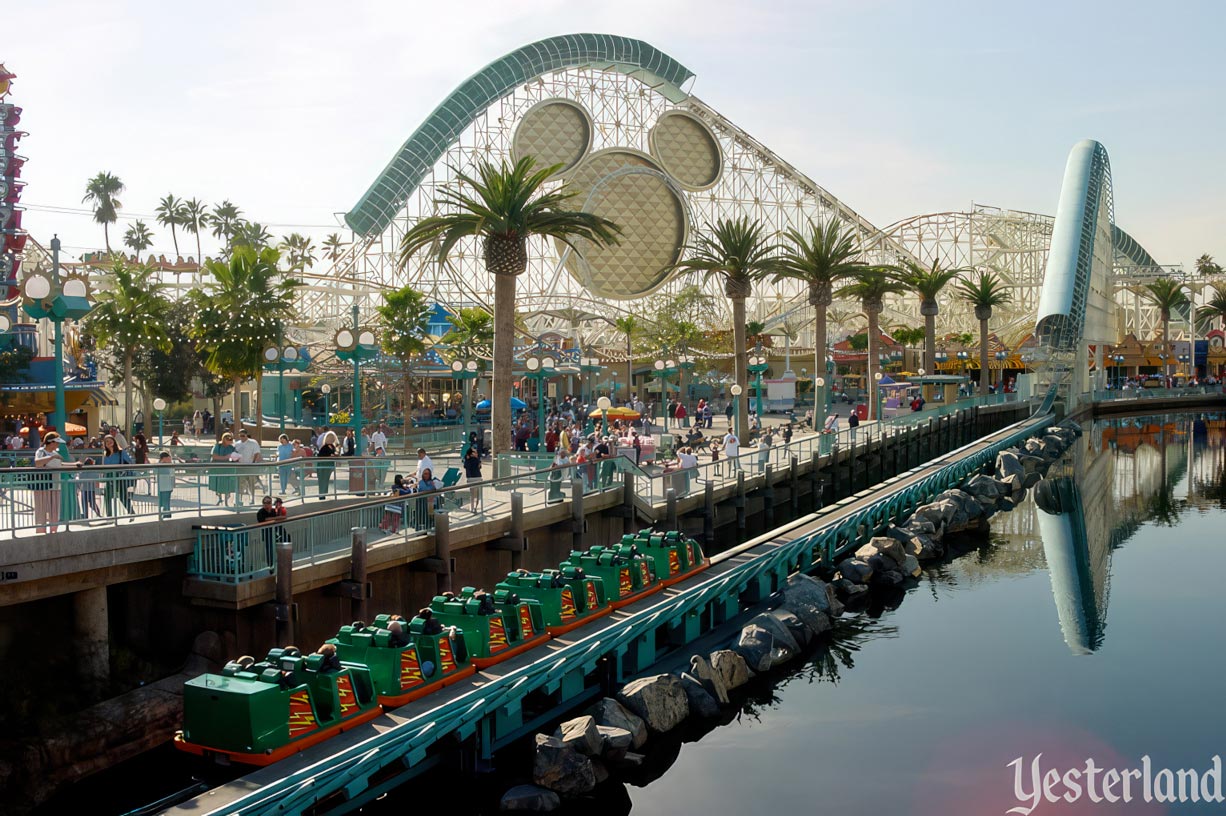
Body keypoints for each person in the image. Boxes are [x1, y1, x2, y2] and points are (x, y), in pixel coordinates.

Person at [33, 432, 79, 533]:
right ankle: (41, 531)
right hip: (43, 485)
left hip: (55, 484)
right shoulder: (41, 451)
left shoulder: (55, 453)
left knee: (54, 510)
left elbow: (60, 464)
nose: (58, 445)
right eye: (56, 443)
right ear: (51, 442)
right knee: (42, 509)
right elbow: (37, 462)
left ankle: (53, 530)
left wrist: (74, 465)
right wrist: (51, 457)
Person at [102, 434, 135, 516]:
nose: (109, 443)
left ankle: (131, 512)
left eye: (110, 440)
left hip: (120, 476)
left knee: (122, 496)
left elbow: (130, 461)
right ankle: (109, 516)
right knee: (107, 496)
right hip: (109, 477)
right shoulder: (106, 454)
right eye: (106, 442)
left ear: (114, 441)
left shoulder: (121, 452)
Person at [233, 429, 263, 505]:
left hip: (250, 465)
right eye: (240, 436)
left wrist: (253, 463)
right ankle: (239, 499)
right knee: (240, 484)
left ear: (246, 435)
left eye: (243, 435)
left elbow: (257, 453)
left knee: (251, 484)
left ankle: (252, 498)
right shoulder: (237, 444)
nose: (242, 437)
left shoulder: (253, 443)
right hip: (240, 467)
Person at [209, 432, 239, 506]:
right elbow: (214, 456)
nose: (229, 440)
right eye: (227, 438)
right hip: (218, 469)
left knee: (227, 486)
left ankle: (226, 501)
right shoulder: (217, 446)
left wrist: (235, 458)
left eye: (230, 439)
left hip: (228, 469)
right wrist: (226, 457)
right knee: (218, 485)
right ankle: (219, 498)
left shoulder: (231, 448)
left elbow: (235, 456)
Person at [316, 431, 338, 500]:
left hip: (329, 465)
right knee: (322, 480)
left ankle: (324, 493)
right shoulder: (324, 447)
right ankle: (321, 495)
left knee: (326, 480)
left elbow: (334, 453)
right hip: (322, 465)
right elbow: (321, 456)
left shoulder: (332, 446)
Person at [156, 450, 175, 518]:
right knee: (163, 501)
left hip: (166, 487)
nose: (170, 459)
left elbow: (172, 475)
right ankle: (165, 513)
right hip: (162, 486)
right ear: (164, 458)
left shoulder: (169, 465)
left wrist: (173, 485)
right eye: (168, 458)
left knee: (166, 501)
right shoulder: (160, 465)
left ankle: (166, 513)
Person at [463, 446, 482, 513]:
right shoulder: (472, 459)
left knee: (474, 494)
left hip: (474, 477)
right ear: (472, 453)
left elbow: (478, 466)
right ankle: (474, 507)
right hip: (474, 478)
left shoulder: (472, 459)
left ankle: (473, 507)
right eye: (475, 452)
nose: (477, 453)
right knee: (474, 494)